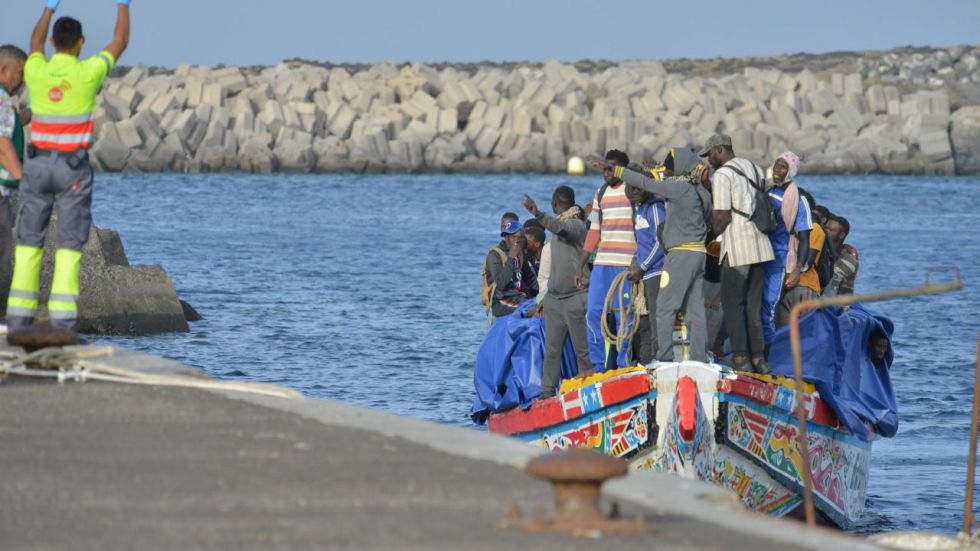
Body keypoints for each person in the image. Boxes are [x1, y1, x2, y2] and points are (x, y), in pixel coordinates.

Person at [7, 0, 131, 337]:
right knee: (68, 246)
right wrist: (123, 5)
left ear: (52, 44)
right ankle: (61, 324)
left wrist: (48, 8)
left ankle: (18, 322)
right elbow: (119, 42)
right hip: (72, 169)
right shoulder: (88, 72)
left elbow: (33, 42)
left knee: (28, 244)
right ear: (80, 43)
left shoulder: (37, 69)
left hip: (36, 165)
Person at [594, 146, 712, 363]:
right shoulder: (699, 190)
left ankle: (664, 358)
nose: (666, 172)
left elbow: (646, 183)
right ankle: (699, 358)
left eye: (669, 169)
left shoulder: (678, 188)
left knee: (665, 307)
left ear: (680, 169)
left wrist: (617, 171)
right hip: (699, 254)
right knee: (695, 311)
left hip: (680, 255)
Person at [702, 133, 774, 373]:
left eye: (710, 154)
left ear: (720, 150)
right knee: (753, 306)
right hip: (761, 246)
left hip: (737, 248)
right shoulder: (754, 167)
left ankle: (741, 358)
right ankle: (759, 359)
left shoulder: (722, 174)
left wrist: (708, 238)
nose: (708, 160)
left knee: (733, 305)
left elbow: (722, 216)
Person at [522, 187, 593, 398]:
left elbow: (560, 228)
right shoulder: (561, 229)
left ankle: (588, 390)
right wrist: (544, 301)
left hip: (575, 297)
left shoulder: (576, 225)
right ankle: (546, 393)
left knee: (582, 351)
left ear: (554, 204)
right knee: (552, 352)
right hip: (555, 299)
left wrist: (537, 214)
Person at [577, 149, 637, 370]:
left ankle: (624, 364)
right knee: (593, 313)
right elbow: (594, 231)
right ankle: (598, 366)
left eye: (611, 167)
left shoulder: (632, 190)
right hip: (602, 264)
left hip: (625, 265)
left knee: (624, 315)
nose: (606, 171)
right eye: (604, 167)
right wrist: (580, 265)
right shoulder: (600, 193)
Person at [761, 151, 812, 347]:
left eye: (783, 167)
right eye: (776, 165)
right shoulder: (764, 188)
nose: (777, 169)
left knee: (769, 304)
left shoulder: (798, 199)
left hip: (778, 256)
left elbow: (805, 237)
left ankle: (770, 354)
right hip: (757, 252)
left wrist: (799, 267)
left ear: (790, 171)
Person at [626, 165, 666, 364]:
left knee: (657, 319)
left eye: (638, 188)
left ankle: (660, 358)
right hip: (645, 273)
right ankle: (646, 359)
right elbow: (642, 242)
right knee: (644, 321)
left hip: (657, 272)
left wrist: (643, 266)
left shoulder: (655, 207)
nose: (635, 193)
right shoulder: (638, 210)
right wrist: (635, 260)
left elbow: (660, 241)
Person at [0, 45, 28, 319]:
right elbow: (2, 143)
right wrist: (23, 178)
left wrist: (28, 116)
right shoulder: (3, 101)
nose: (21, 80)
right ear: (3, 70)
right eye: (19, 73)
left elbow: (7, 126)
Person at [777, 195, 827, 327]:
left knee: (805, 335)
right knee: (786, 336)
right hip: (786, 289)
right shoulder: (788, 228)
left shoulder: (814, 228)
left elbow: (807, 262)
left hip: (804, 287)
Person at [485, 220, 537, 318]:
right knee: (531, 310)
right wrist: (511, 258)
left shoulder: (520, 253)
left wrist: (545, 293)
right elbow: (500, 284)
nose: (517, 240)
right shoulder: (495, 254)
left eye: (520, 237)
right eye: (514, 237)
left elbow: (530, 278)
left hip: (519, 297)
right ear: (507, 238)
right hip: (502, 300)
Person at [825, 215, 859, 296]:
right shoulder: (819, 249)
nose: (826, 232)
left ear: (842, 235)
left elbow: (847, 290)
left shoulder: (850, 260)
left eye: (831, 230)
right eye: (826, 229)